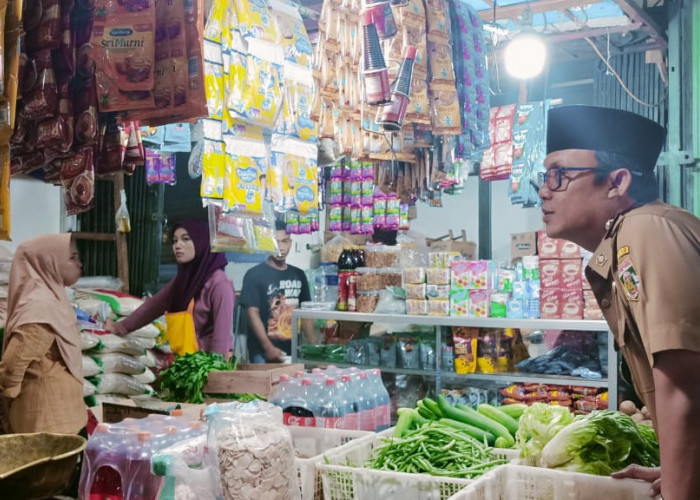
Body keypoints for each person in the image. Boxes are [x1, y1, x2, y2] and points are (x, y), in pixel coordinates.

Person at [538, 105, 700, 499]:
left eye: (560, 176)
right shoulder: (636, 234)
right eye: (543, 178)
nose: (544, 190)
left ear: (617, 182)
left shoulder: (646, 230)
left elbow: (686, 388)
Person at [105, 219, 235, 358]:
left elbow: (222, 336)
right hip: (186, 363)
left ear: (202, 242)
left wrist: (214, 371)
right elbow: (152, 307)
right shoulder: (182, 281)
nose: (178, 245)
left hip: (208, 364)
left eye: (185, 239)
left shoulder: (220, 285)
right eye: (175, 240)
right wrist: (119, 327)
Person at [0, 234, 86, 434]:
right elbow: (16, 364)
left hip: (46, 422)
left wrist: (7, 406)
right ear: (49, 261)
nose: (79, 264)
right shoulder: (44, 303)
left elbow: (11, 370)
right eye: (72, 257)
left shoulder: (42, 305)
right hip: (57, 421)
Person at [240, 220, 315, 363]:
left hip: (293, 352)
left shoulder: (299, 274)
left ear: (291, 243)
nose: (281, 247)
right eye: (276, 241)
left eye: (285, 241)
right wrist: (268, 347)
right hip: (262, 354)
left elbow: (306, 314)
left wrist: (312, 346)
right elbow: (251, 314)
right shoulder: (254, 275)